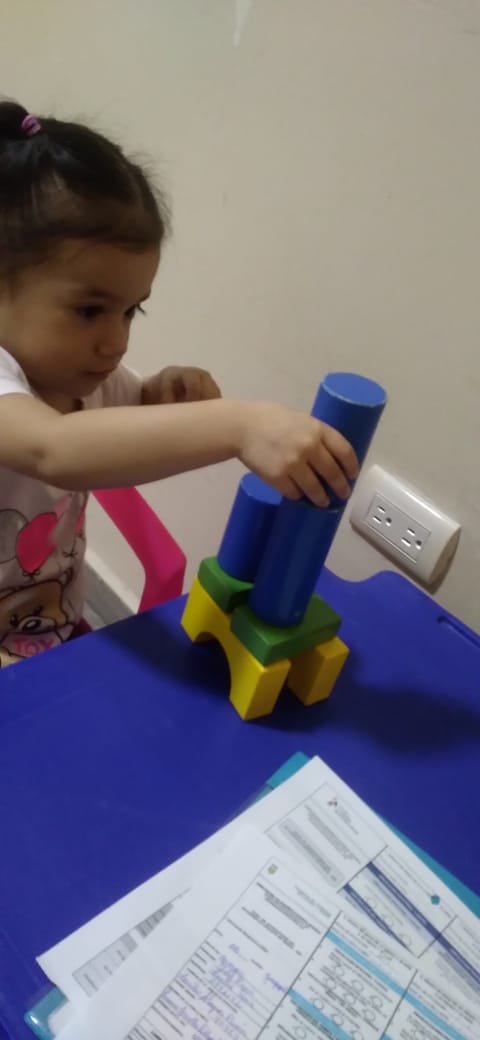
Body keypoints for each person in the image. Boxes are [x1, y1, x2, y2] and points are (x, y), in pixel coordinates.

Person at [0, 99, 357, 667]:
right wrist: (239, 425)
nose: (117, 342)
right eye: (90, 311)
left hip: (47, 632)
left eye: (131, 311)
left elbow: (125, 420)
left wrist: (160, 394)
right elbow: (55, 449)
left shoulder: (79, 375)